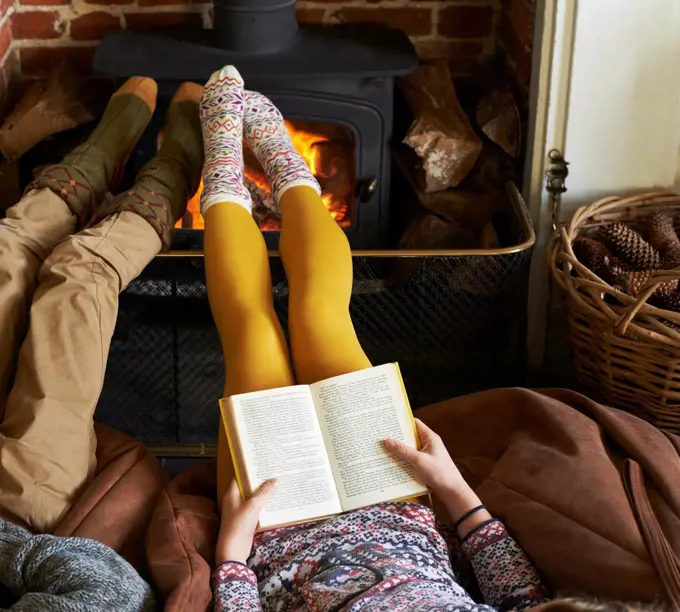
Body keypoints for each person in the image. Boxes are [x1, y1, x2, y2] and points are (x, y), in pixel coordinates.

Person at [199, 66, 667, 612]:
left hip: (280, 529)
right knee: (320, 315)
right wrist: (450, 485)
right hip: (391, 497)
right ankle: (283, 161)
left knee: (251, 328)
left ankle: (223, 162)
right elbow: (511, 580)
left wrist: (232, 553)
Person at [0, 76, 204, 610]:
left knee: (6, 252)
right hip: (22, 514)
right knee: (78, 274)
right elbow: (109, 591)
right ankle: (176, 166)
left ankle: (93, 162)